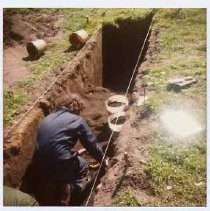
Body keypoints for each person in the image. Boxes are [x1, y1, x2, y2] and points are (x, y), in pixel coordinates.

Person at [33, 94, 106, 205]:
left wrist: (74, 153)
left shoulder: (48, 118)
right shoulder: (77, 120)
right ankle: (73, 192)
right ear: (77, 109)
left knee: (55, 169)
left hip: (39, 162)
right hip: (60, 162)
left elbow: (54, 143)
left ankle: (51, 184)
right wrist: (103, 160)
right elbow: (91, 145)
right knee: (83, 166)